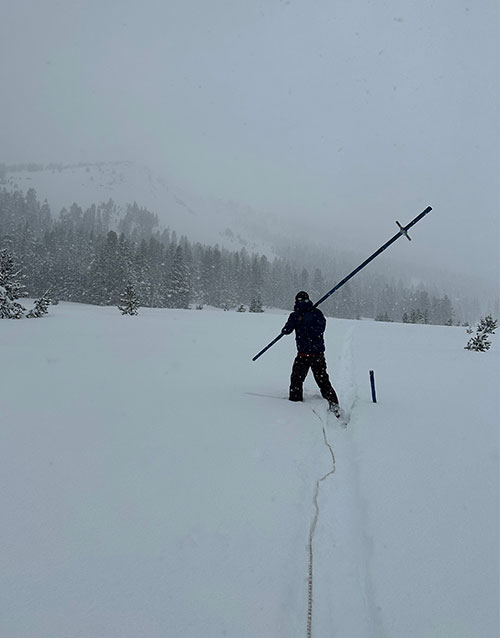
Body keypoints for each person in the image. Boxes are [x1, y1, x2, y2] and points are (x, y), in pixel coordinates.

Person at [281, 291, 340, 415]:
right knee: (299, 379)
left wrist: (305, 322)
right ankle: (295, 405)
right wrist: (295, 321)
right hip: (306, 354)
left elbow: (319, 330)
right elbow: (287, 330)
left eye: (302, 301)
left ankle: (333, 405)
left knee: (319, 381)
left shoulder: (315, 314)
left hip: (314, 354)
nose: (301, 303)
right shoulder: (297, 315)